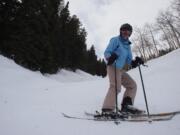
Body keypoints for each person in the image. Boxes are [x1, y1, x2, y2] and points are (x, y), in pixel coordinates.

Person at [102, 23, 144, 114]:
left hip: (120, 70)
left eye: (128, 31)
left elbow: (128, 61)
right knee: (115, 86)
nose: (126, 32)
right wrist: (110, 58)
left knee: (132, 85)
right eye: (123, 30)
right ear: (120, 31)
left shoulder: (128, 45)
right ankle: (107, 109)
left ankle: (126, 106)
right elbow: (107, 52)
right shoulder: (115, 40)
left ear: (130, 33)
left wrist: (135, 62)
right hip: (113, 66)